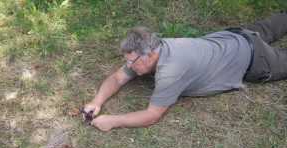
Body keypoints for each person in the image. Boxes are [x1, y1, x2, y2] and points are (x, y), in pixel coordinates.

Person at [83, 12, 287, 131]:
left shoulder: (170, 71)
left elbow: (152, 115)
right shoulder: (158, 46)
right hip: (235, 36)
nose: (128, 66)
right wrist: (97, 101)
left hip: (256, 60)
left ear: (150, 55)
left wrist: (113, 121)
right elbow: (118, 78)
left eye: (132, 61)